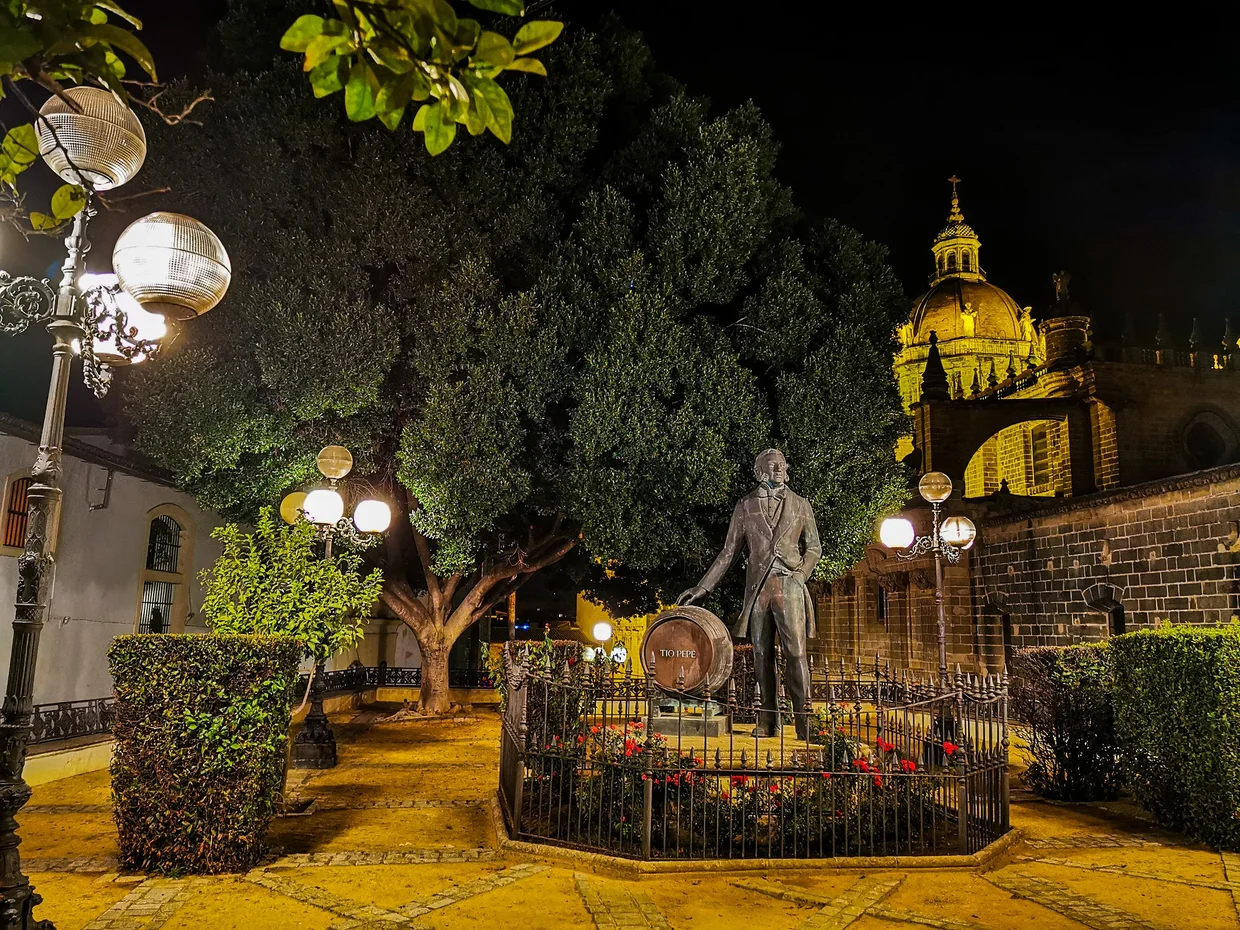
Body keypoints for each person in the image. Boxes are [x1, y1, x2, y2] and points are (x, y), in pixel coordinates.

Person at [678, 449, 821, 738]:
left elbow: (814, 547)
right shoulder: (745, 506)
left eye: (782, 463)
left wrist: (801, 575)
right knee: (761, 655)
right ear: (760, 472)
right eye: (772, 465)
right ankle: (768, 721)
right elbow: (728, 552)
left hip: (790, 584)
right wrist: (702, 587)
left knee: (796, 653)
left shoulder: (801, 504)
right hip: (758, 589)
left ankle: (805, 723)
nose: (779, 468)